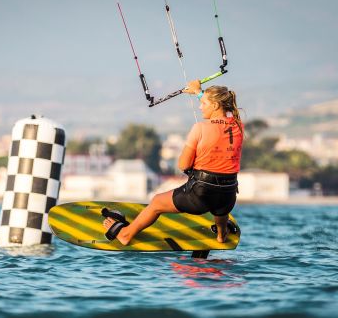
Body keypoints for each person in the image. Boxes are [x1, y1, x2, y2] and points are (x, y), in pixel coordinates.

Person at [103, 79, 244, 244]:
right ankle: (221, 234)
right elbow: (219, 113)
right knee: (221, 209)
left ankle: (126, 235)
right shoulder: (239, 125)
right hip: (228, 196)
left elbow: (183, 165)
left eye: (203, 103)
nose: (200, 106)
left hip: (200, 196)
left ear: (214, 105)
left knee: (156, 202)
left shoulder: (199, 128)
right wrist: (199, 93)